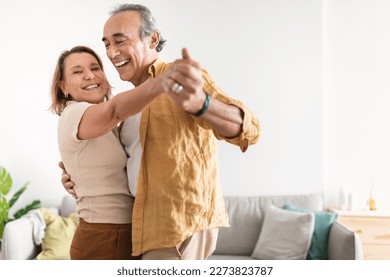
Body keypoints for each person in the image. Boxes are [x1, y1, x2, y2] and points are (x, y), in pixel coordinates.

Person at [61, 4, 261, 260]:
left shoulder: (180, 78)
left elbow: (250, 130)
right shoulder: (131, 102)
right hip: (146, 227)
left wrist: (203, 105)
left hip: (178, 225)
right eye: (107, 44)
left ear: (152, 38)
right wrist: (80, 176)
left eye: (120, 41)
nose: (112, 53)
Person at [50, 45, 180, 259]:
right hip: (104, 235)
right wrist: (163, 80)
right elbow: (116, 109)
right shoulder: (74, 113)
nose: (90, 75)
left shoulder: (110, 125)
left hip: (125, 231)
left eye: (95, 68)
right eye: (77, 71)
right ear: (63, 86)